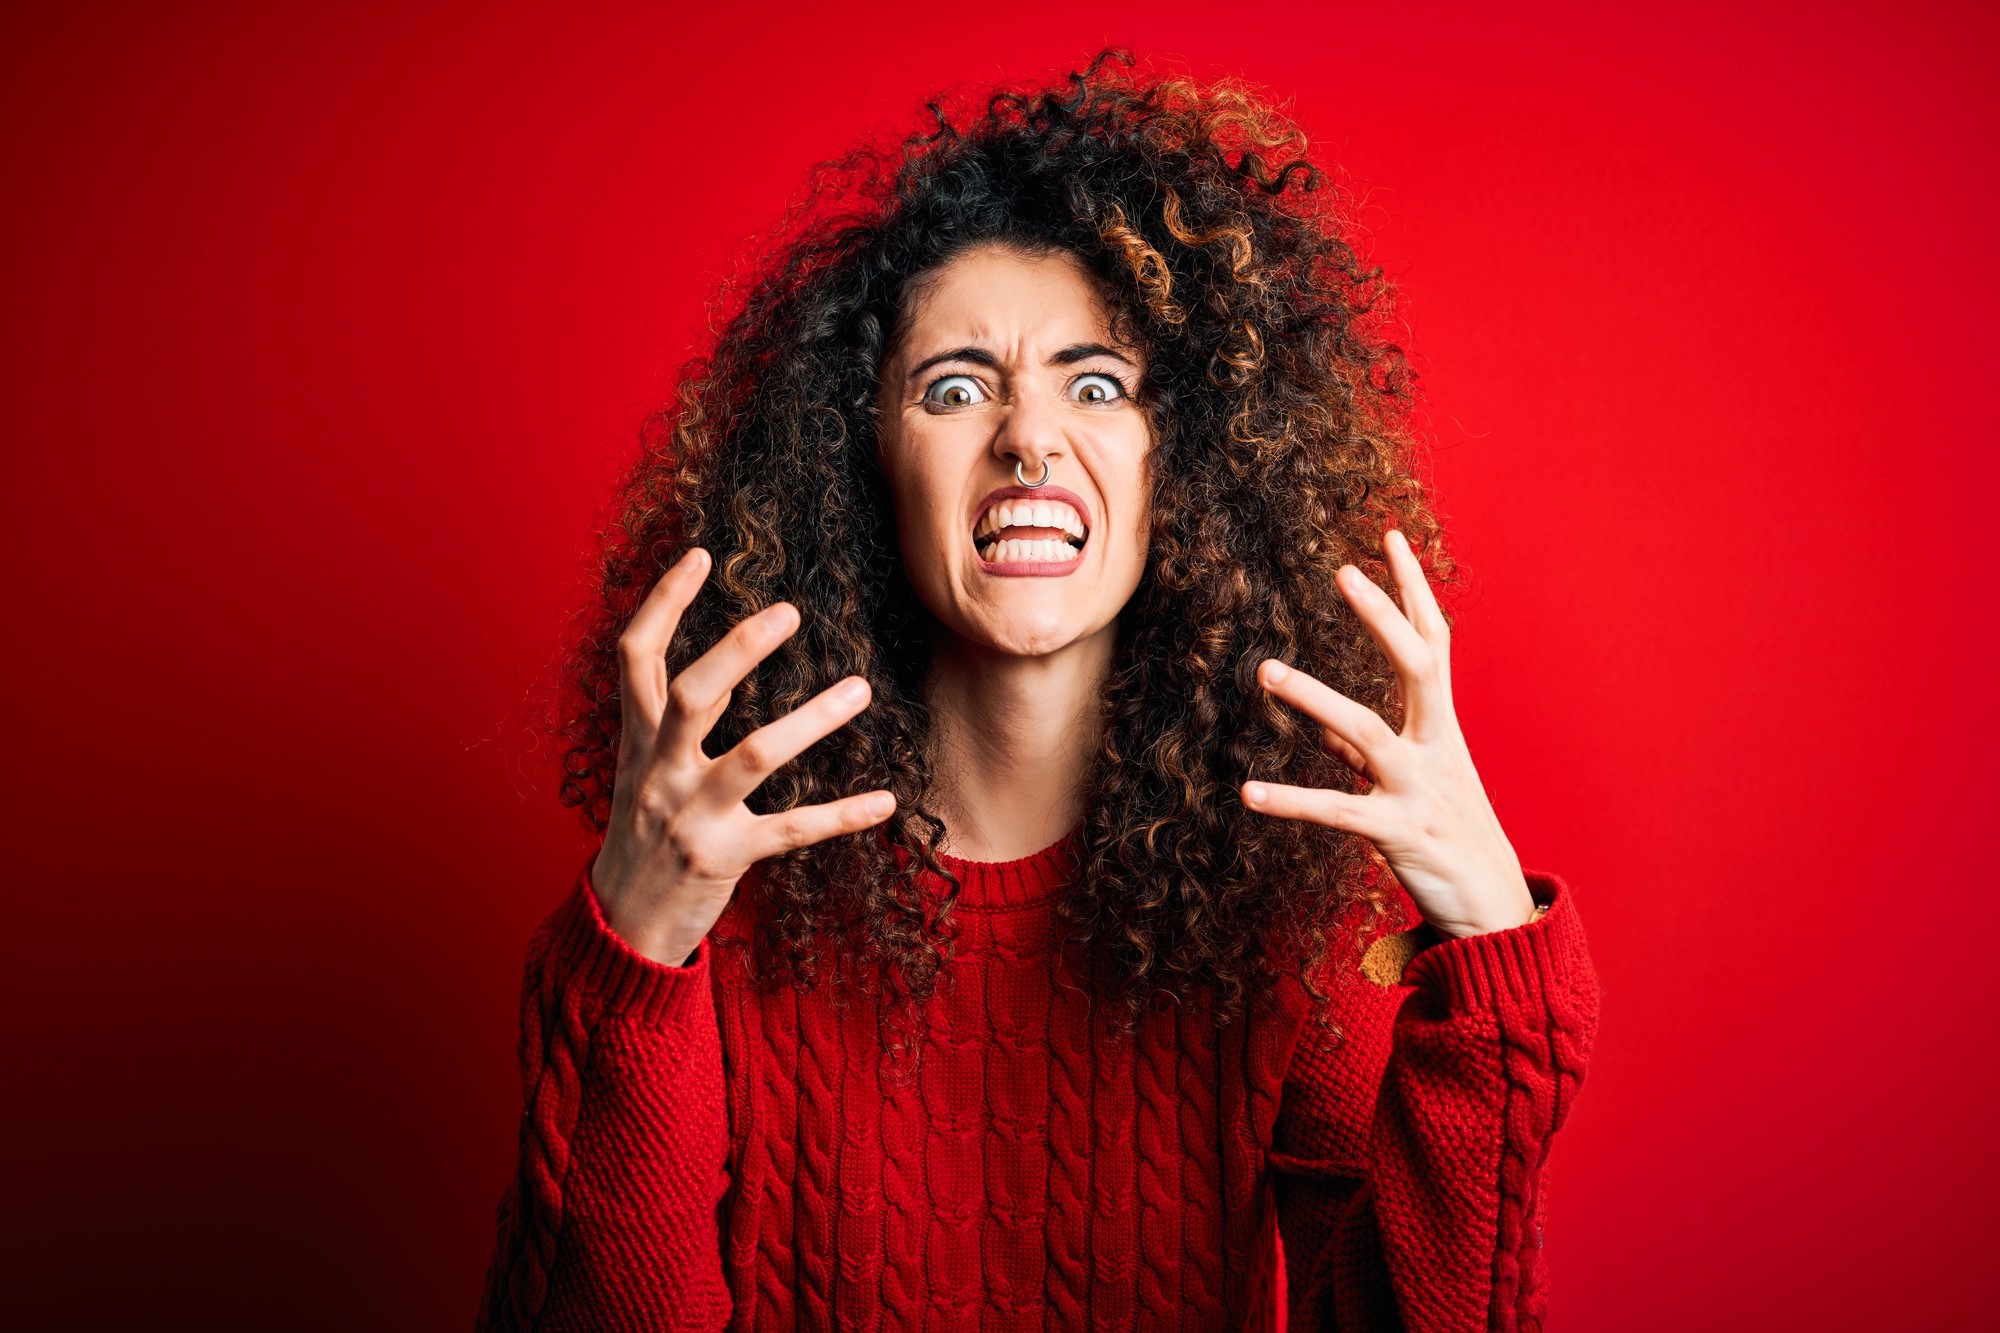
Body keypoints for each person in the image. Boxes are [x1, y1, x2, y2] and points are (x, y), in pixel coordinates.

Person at [475, 50, 1600, 1332]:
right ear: (863, 469)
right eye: (954, 388)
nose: (1026, 435)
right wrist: (631, 952)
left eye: (1097, 383)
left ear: (1191, 465)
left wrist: (1491, 969)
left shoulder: (1281, 915)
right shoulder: (715, 892)